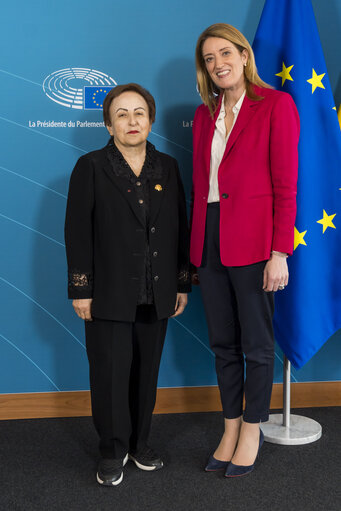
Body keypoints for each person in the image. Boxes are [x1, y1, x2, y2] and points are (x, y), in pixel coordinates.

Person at [65, 83, 191, 486]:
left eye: (139, 113)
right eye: (122, 114)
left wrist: (182, 283)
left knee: (145, 374)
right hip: (108, 294)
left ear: (150, 120)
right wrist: (81, 288)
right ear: (108, 123)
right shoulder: (91, 166)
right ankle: (111, 450)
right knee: (110, 375)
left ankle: (140, 443)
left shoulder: (168, 167)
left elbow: (179, 229)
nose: (132, 121)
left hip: (157, 293)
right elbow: (77, 232)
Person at [190, 24, 299, 477]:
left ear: (243, 54)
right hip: (209, 239)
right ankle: (230, 425)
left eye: (224, 53)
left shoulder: (275, 104)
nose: (218, 64)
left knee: (256, 342)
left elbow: (285, 186)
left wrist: (279, 251)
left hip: (255, 241)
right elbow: (201, 187)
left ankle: (252, 427)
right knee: (221, 343)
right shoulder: (202, 115)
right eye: (209, 59)